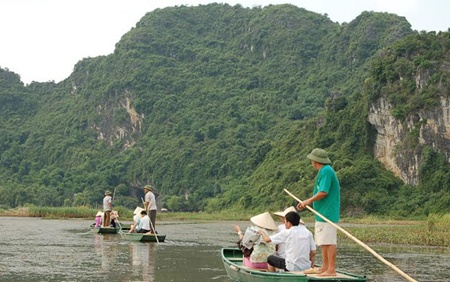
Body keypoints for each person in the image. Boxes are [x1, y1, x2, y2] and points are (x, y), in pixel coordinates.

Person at [297, 148, 340, 276]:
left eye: (312, 160)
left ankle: (331, 269)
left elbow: (323, 192)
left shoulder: (326, 171)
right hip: (321, 213)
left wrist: (307, 201)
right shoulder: (323, 171)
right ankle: (325, 266)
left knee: (329, 241)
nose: (312, 163)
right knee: (323, 241)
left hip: (327, 213)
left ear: (315, 161)